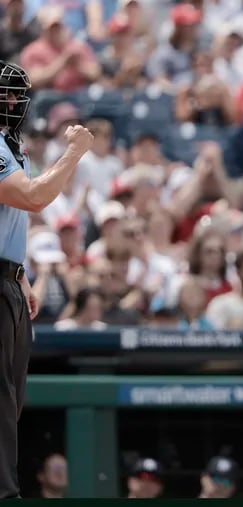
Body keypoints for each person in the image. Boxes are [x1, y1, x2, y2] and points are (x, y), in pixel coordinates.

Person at [0, 59, 92, 499]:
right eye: (4, 95)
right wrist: (74, 152)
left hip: (8, 281)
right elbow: (34, 197)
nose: (13, 102)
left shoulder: (9, 145)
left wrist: (19, 274)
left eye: (16, 94)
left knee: (11, 401)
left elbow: (15, 215)